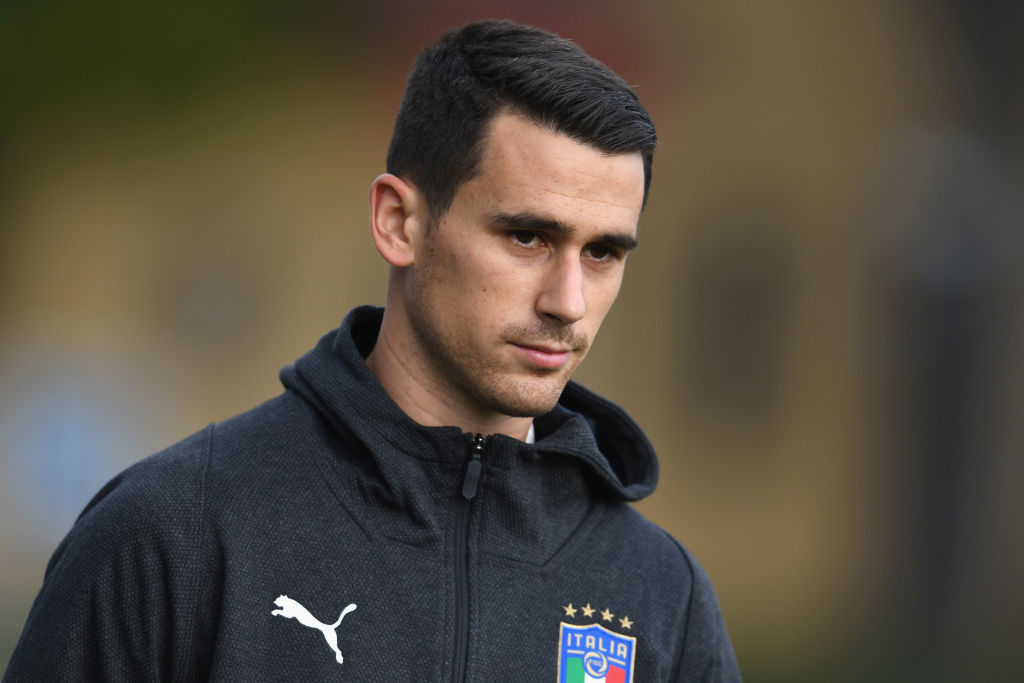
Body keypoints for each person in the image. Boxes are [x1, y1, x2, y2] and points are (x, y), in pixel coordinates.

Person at [4, 19, 740, 682]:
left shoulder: (657, 596)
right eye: (527, 237)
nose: (568, 301)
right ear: (398, 223)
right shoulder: (179, 537)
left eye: (604, 251)